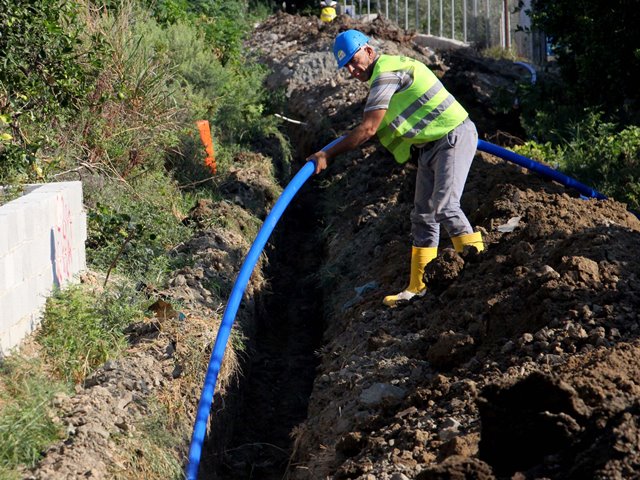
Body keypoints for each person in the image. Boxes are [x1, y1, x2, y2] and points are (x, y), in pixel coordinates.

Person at [307, 29, 484, 307]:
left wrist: (326, 154)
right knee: (423, 216)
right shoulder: (382, 74)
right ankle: (418, 286)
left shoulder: (387, 73)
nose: (353, 70)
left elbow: (368, 128)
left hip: (452, 136)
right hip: (429, 146)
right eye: (347, 67)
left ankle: (479, 275)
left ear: (368, 50)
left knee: (446, 206)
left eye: (354, 60)